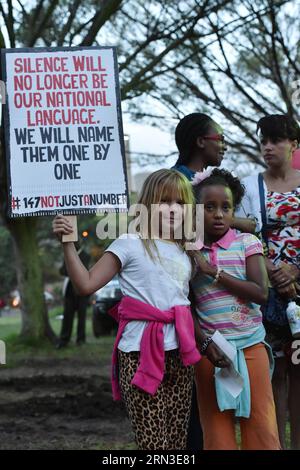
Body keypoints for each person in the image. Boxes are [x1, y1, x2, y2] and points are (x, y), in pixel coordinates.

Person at [53, 169, 201, 450]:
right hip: (139, 354)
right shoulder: (129, 243)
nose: (173, 210)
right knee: (154, 444)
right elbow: (85, 285)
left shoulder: (188, 252)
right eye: (164, 202)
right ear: (147, 205)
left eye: (180, 204)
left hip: (180, 356)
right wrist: (68, 245)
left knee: (177, 442)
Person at [173, 112, 254, 450]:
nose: (224, 144)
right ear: (200, 141)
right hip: (186, 287)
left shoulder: (215, 180)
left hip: (214, 297)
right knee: (194, 396)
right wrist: (243, 222)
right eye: (219, 137)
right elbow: (178, 224)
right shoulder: (176, 181)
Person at [191, 168, 280, 450]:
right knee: (217, 434)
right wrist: (203, 342)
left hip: (252, 347)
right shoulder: (189, 251)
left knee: (261, 428)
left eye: (226, 207)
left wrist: (212, 271)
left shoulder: (247, 243)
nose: (218, 214)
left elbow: (261, 292)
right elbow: (185, 304)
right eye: (209, 207)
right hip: (211, 352)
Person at [235, 114, 300, 449]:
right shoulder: (249, 186)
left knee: (299, 372)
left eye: (276, 140)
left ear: (295, 144)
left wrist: (295, 271)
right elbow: (243, 235)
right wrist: (272, 270)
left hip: (299, 290)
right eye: (264, 141)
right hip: (267, 293)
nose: (268, 147)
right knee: (273, 373)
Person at [57, 242, 91, 348]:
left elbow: (83, 271)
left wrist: (71, 271)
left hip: (82, 291)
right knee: (67, 315)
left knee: (82, 316)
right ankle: (64, 339)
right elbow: (62, 270)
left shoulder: (85, 255)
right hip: (70, 290)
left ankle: (80, 339)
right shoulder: (68, 254)